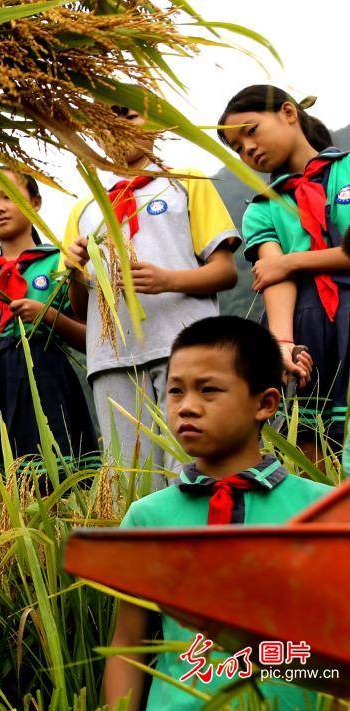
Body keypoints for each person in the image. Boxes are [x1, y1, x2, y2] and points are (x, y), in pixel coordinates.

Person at [102, 316, 330, 710]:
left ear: (265, 404)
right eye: (176, 391)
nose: (187, 406)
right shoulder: (148, 519)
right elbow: (127, 644)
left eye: (209, 390)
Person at [66, 106, 240, 487]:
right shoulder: (84, 210)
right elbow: (81, 308)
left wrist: (168, 280)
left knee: (193, 469)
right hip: (112, 358)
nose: (117, 128)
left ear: (158, 123)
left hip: (184, 348)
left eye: (129, 116)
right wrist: (75, 271)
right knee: (130, 483)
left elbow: (225, 271)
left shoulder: (185, 182)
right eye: (103, 122)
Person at [219, 85, 350, 464]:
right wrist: (282, 342)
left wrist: (293, 261)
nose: (248, 149)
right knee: (311, 449)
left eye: (251, 131)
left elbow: (282, 266)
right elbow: (274, 277)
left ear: (289, 113)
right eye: (237, 148)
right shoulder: (261, 209)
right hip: (307, 327)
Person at [0, 170, 98, 499]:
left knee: (51, 481)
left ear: (35, 202)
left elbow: (89, 338)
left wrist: (48, 316)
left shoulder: (61, 262)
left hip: (44, 376)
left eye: (9, 196)